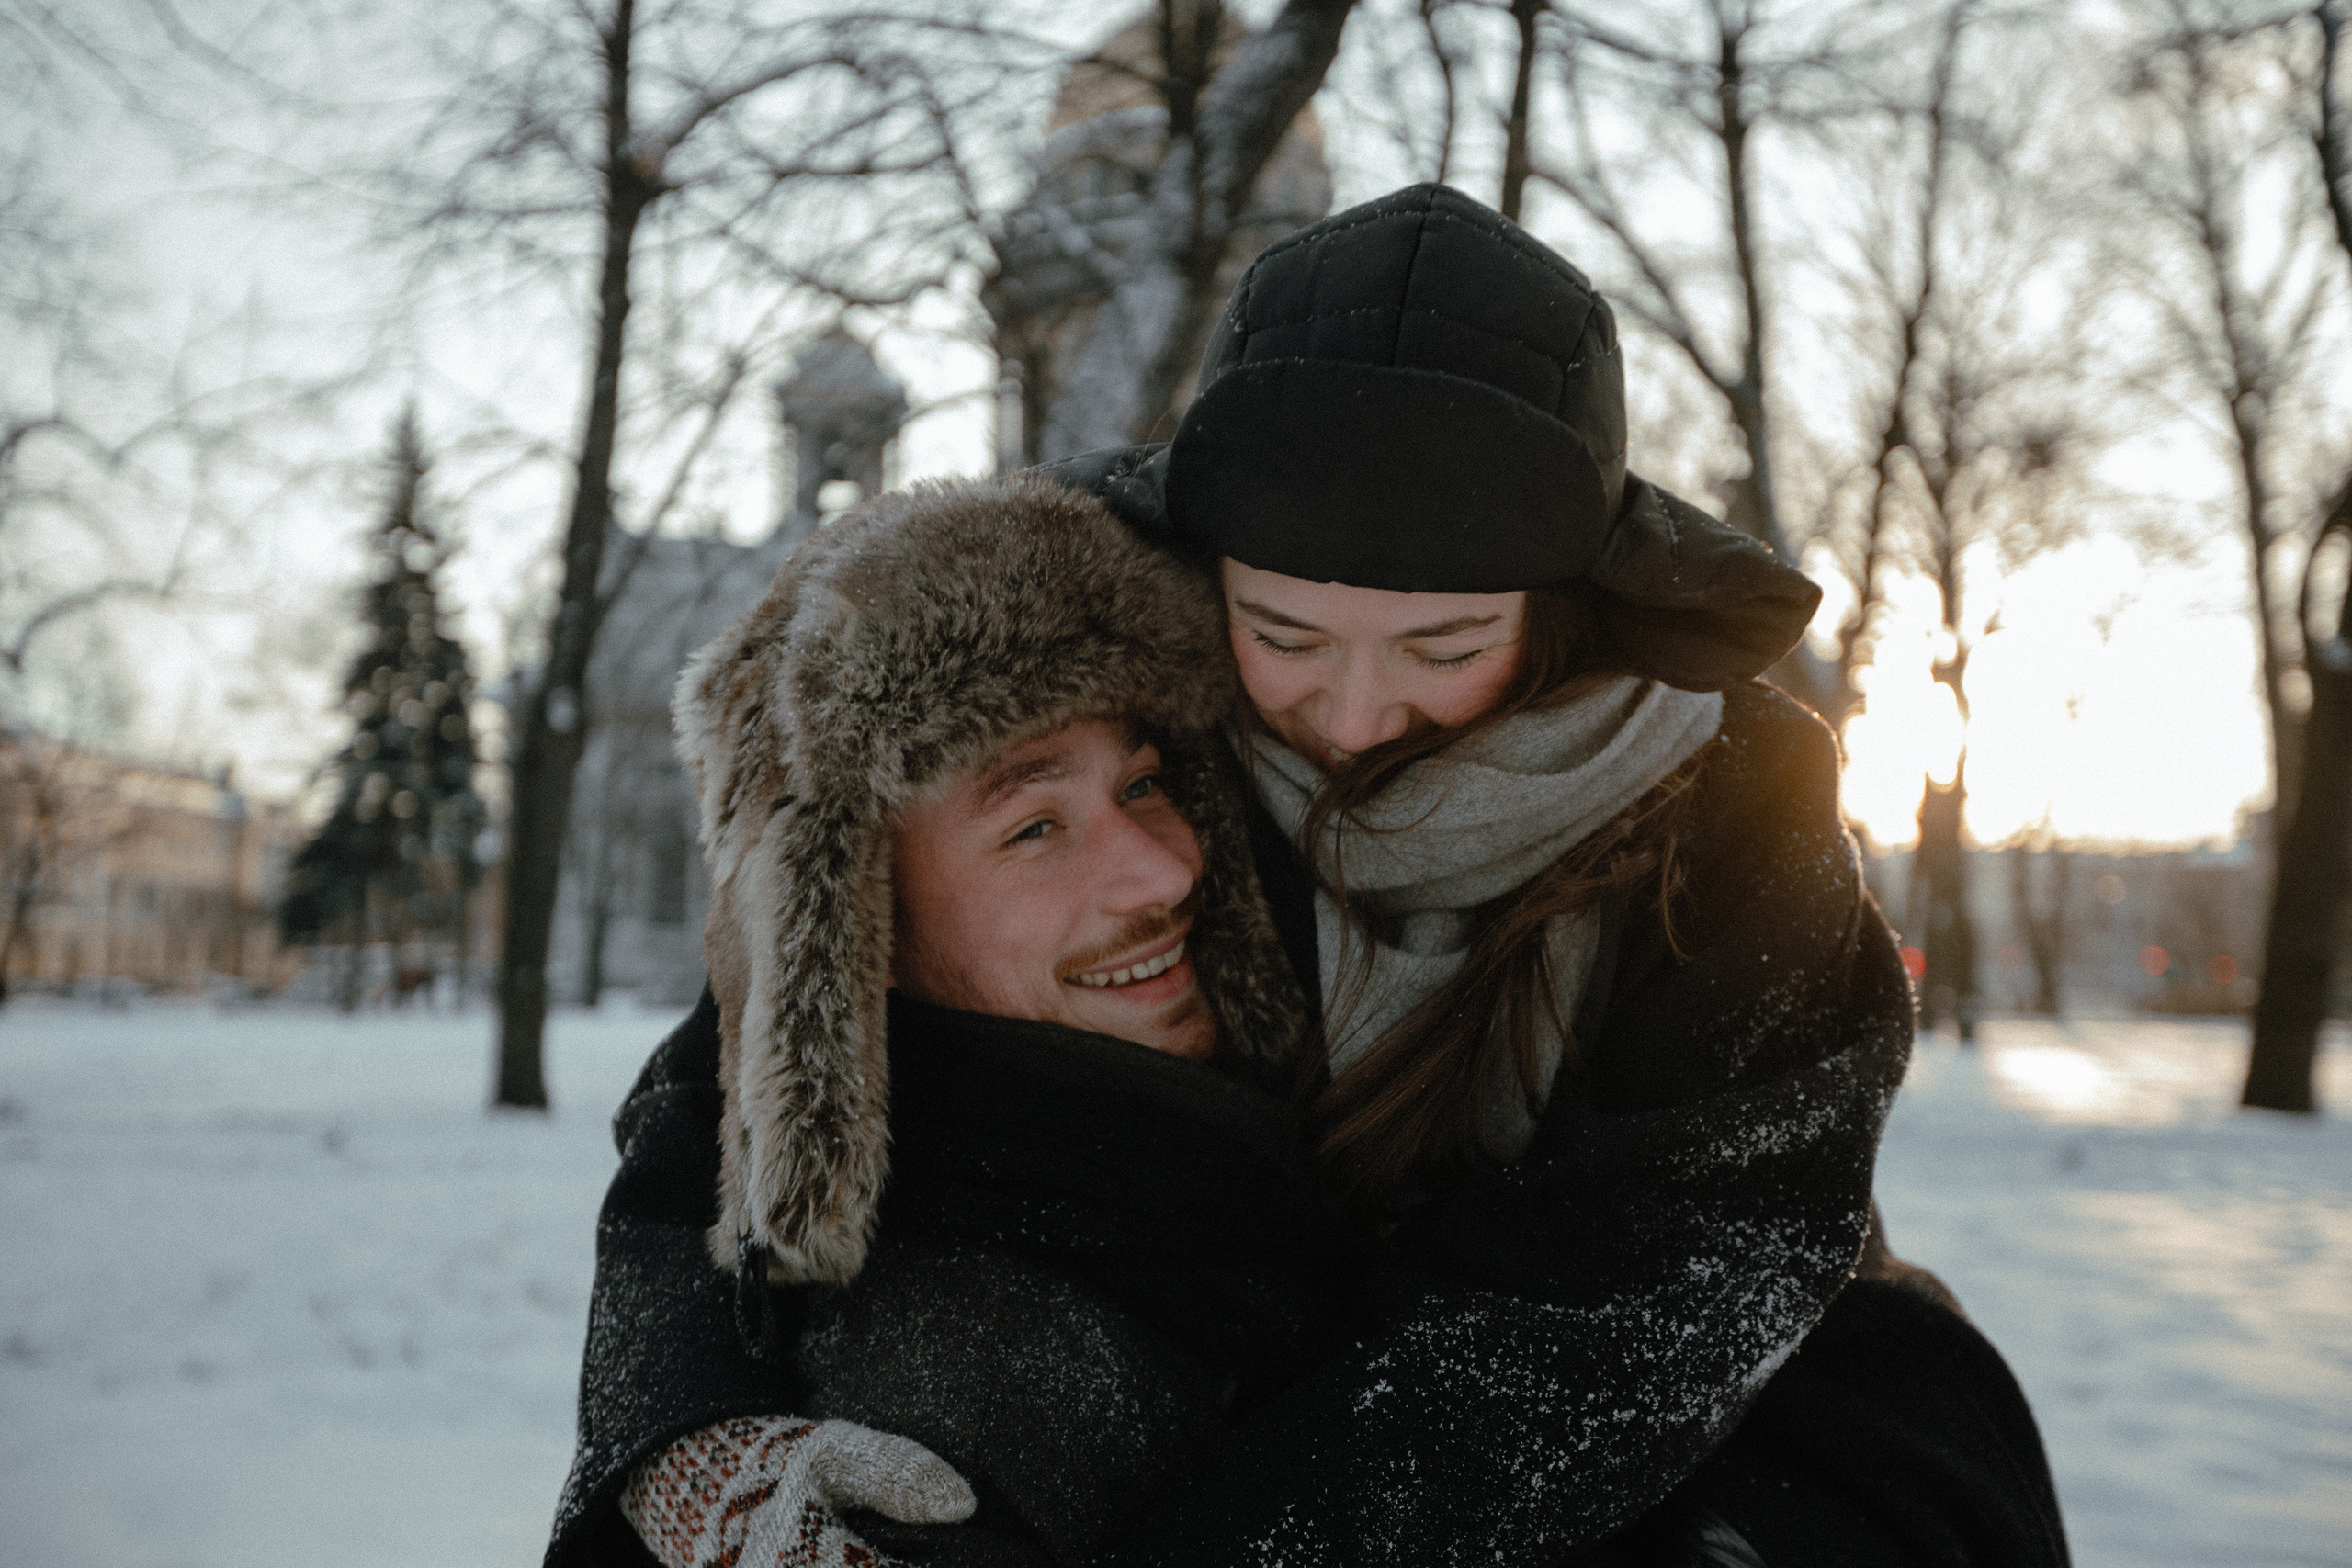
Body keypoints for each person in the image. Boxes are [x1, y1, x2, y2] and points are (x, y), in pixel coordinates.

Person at [550, 183, 2067, 1568]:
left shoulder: (1732, 817)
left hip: (1643, 1450)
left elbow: (1661, 1286)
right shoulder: (1145, 714)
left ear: (1558, 606)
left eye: (1444, 648)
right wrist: (682, 1430)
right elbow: (744, 1072)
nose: (1350, 719)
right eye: (1285, 637)